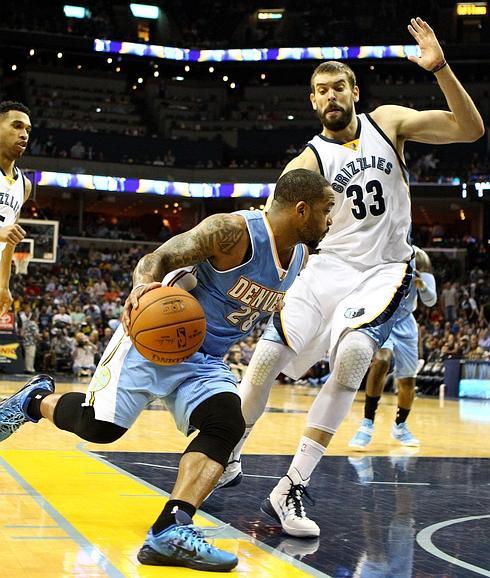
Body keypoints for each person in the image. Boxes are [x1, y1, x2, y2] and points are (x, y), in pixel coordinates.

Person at [213, 17, 484, 538]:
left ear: (355, 92)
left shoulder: (389, 123)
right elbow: (277, 233)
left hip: (384, 269)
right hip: (328, 268)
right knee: (267, 356)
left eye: (338, 86)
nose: (330, 96)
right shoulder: (307, 161)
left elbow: (470, 129)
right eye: (320, 91)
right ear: (312, 103)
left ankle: (291, 486)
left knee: (357, 355)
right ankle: (231, 449)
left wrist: (441, 69)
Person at [0, 168, 334, 571]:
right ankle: (34, 400)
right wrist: (143, 287)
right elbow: (156, 258)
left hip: (205, 360)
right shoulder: (230, 231)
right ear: (301, 210)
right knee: (99, 428)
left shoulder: (299, 255)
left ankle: (171, 528)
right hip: (156, 339)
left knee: (226, 422)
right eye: (326, 210)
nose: (330, 220)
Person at [348, 248, 437, 450]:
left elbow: (431, 301)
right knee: (381, 360)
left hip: (406, 322)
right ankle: (367, 425)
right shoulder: (383, 250)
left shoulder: (421, 258)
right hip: (383, 316)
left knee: (407, 380)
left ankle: (400, 426)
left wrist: (422, 286)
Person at [0, 101, 33, 314]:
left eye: (27, 130)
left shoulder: (24, 185)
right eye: (17, 126)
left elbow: (9, 241)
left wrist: (4, 285)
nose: (24, 134)